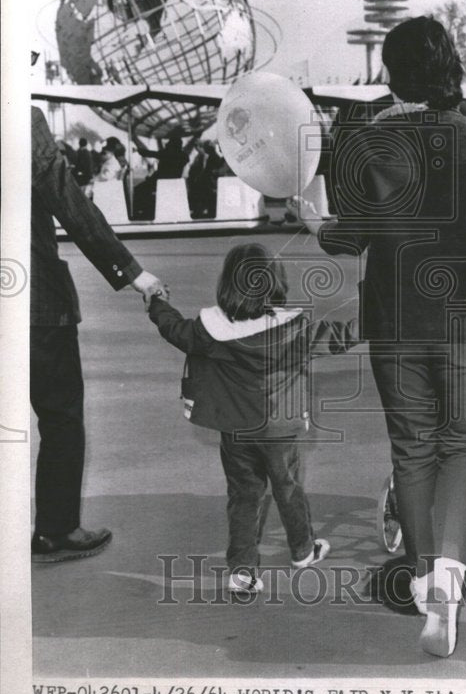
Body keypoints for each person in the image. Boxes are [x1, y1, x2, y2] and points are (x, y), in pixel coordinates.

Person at [317, 16, 466, 657]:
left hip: (398, 322)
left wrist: (313, 220)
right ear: (449, 68)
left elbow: (350, 237)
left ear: (391, 72)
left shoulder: (366, 143)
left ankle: (426, 573)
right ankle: (449, 585)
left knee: (413, 449)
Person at [146, 242, 361, 595]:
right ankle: (303, 551)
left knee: (244, 496)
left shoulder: (209, 330)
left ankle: (242, 571)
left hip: (235, 431)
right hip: (280, 430)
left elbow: (174, 329)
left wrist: (157, 302)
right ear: (274, 282)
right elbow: (342, 337)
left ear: (227, 284)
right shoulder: (295, 329)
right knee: (288, 488)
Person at [31, 104, 166, 562]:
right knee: (60, 415)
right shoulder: (21, 119)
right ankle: (56, 529)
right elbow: (70, 204)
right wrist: (133, 273)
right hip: (34, 305)